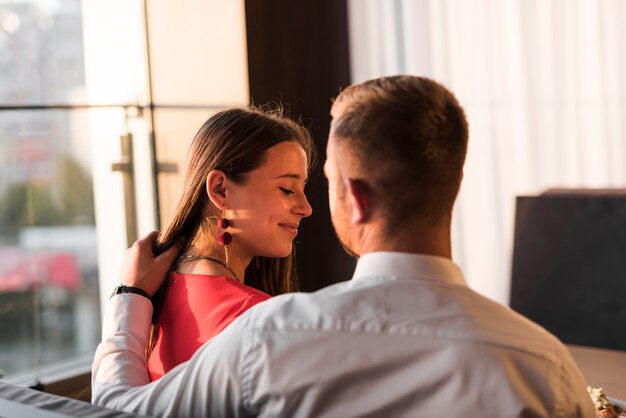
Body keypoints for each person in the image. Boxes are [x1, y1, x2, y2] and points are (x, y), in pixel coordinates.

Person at [92, 76, 594, 417]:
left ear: (352, 196)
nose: (308, 207)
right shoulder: (542, 365)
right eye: (290, 189)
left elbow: (115, 407)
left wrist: (127, 300)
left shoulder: (269, 338)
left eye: (321, 183)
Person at [142, 107, 315, 380]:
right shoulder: (260, 321)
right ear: (221, 190)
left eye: (302, 189)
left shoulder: (152, 296)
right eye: (287, 189)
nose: (306, 208)